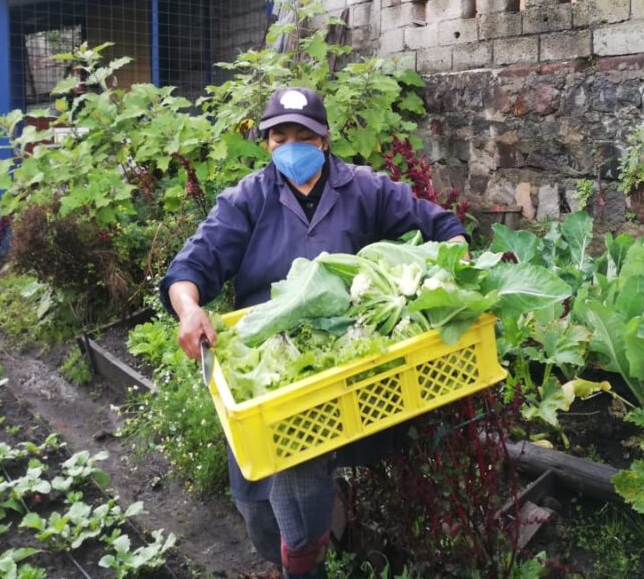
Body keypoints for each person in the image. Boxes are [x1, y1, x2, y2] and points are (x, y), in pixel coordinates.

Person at [159, 87, 467, 578]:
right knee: (254, 501)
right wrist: (189, 309)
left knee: (300, 490)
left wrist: (455, 260)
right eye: (280, 135)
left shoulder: (365, 188)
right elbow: (190, 268)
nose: (291, 144)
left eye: (303, 134)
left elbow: (440, 225)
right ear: (266, 143)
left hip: (335, 360)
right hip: (268, 360)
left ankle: (305, 562)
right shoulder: (248, 199)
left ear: (324, 141)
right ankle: (290, 549)